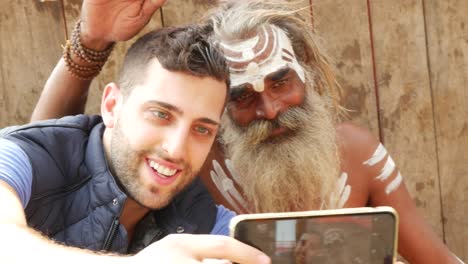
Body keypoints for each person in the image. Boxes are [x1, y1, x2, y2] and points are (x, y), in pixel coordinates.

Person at [30, 0, 463, 263]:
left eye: (281, 82)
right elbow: (48, 155)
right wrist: (93, 41)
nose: (270, 109)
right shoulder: (186, 168)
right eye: (243, 97)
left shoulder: (358, 155)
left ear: (305, 75)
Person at [0, 19, 271, 264]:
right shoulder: (22, 155)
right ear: (111, 105)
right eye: (160, 115)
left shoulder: (207, 220)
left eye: (201, 129)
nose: (176, 149)